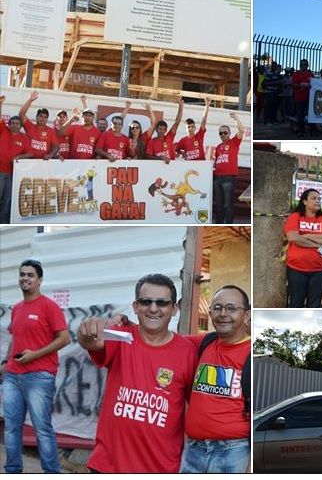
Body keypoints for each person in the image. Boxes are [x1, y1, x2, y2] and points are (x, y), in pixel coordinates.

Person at [77, 273, 197, 473]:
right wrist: (86, 330)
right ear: (135, 306)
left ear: (174, 309)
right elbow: (90, 341)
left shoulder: (188, 352)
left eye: (162, 303)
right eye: (145, 301)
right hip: (108, 467)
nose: (153, 308)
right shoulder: (120, 337)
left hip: (161, 470)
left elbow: (193, 408)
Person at [0, 259, 70, 473]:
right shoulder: (17, 308)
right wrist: (5, 362)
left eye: (30, 275)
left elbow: (64, 338)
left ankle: (51, 473)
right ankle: (12, 471)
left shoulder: (49, 306)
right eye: (22, 274)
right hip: (12, 375)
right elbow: (15, 338)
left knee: (42, 429)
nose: (25, 278)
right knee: (11, 429)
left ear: (39, 280)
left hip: (39, 375)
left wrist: (34, 355)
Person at [180, 285, 251, 474]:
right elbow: (164, 340)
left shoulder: (253, 354)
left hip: (233, 453)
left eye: (231, 308)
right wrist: (128, 324)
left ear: (247, 315)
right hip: (193, 451)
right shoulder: (203, 343)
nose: (223, 313)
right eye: (217, 307)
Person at [284, 188, 322, 307]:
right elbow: (293, 238)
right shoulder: (295, 217)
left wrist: (305, 235)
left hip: (319, 270)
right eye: (313, 198)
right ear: (304, 201)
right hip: (296, 268)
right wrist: (317, 243)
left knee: (314, 305)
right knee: (296, 303)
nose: (317, 201)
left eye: (319, 199)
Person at [0, 96, 33, 224]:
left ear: (20, 126)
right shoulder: (3, 131)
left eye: (17, 123)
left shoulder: (24, 138)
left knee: (7, 198)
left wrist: (19, 157)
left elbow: (30, 153)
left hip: (12, 174)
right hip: (0, 171)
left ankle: (3, 222)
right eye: (12, 123)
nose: (14, 125)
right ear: (9, 124)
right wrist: (1, 104)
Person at [213, 112, 244, 224]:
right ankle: (219, 223)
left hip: (228, 178)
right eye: (221, 133)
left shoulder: (234, 142)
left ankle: (228, 223)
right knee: (219, 204)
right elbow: (216, 161)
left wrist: (236, 119)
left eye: (225, 132)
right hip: (217, 177)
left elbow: (241, 131)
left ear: (229, 133)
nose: (223, 135)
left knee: (228, 204)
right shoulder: (217, 147)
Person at [19, 91, 60, 159]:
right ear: (36, 117)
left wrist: (50, 155)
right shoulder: (29, 126)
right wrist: (30, 100)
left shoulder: (51, 131)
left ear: (47, 119)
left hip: (44, 163)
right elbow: (21, 114)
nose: (42, 118)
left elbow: (56, 147)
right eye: (40, 116)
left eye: (45, 117)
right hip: (28, 161)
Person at [146, 99, 184, 164]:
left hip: (171, 167)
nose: (162, 131)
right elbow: (147, 156)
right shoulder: (152, 142)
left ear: (166, 130)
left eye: (164, 129)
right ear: (156, 129)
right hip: (157, 170)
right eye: (160, 129)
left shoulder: (169, 137)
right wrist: (160, 158)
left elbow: (177, 123)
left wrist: (181, 107)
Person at [292, 58, 315, 137]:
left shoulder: (310, 74)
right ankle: (301, 131)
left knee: (311, 115)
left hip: (309, 98)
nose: (303, 66)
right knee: (300, 115)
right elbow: (294, 85)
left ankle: (312, 131)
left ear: (307, 66)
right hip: (299, 98)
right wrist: (302, 85)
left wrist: (310, 85)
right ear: (300, 65)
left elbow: (315, 84)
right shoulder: (296, 74)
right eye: (302, 64)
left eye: (305, 65)